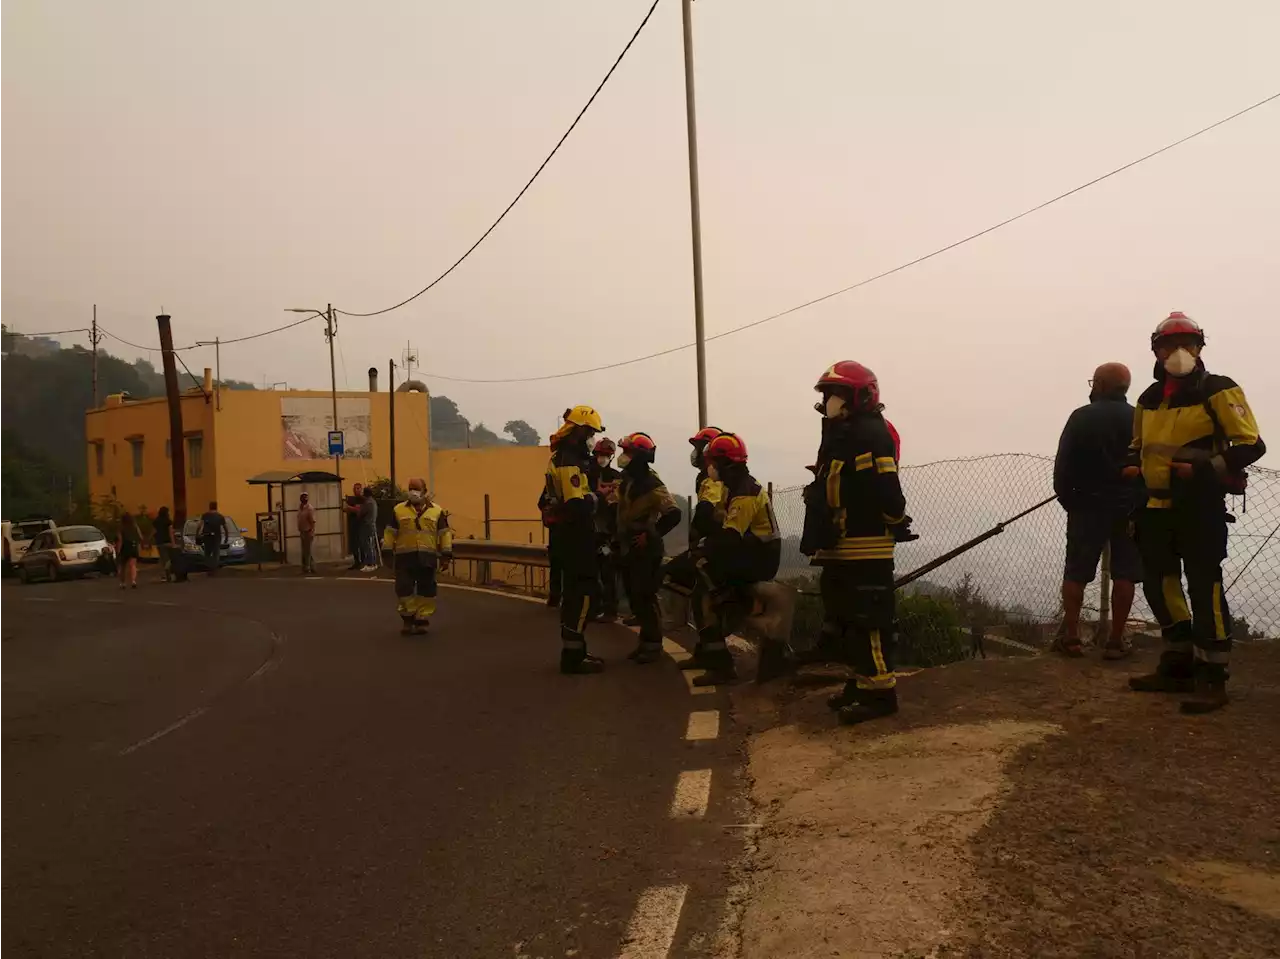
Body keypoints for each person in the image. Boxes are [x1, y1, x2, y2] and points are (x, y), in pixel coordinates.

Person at [1124, 312, 1265, 714]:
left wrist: (1203, 469)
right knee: (1160, 584)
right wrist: (1130, 462)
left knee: (1205, 588)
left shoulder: (1219, 390)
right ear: (1155, 350)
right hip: (1152, 507)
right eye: (1171, 344)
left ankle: (1212, 678)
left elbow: (1251, 445)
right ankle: (1176, 665)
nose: (1180, 352)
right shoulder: (1149, 399)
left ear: (1201, 348)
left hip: (1199, 508)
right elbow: (1138, 444)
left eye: (1189, 344)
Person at [801, 361, 913, 725]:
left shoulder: (870, 434)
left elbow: (887, 488)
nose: (829, 402)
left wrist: (896, 521)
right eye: (827, 395)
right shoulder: (842, 433)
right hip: (841, 544)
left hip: (867, 545)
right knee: (845, 620)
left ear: (859, 396)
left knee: (870, 619)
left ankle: (881, 694)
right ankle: (860, 683)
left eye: (836, 394)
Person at [1052, 362, 1142, 659]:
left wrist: (1071, 502)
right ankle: (1116, 641)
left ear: (1101, 384)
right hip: (1129, 508)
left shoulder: (1081, 418)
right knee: (1125, 573)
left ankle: (1072, 637)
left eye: (1094, 381)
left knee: (1076, 572)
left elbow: (1063, 468)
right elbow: (1147, 465)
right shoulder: (1139, 419)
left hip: (1087, 507)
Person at [684, 432, 782, 685]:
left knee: (705, 585)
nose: (710, 467)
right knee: (699, 582)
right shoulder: (733, 487)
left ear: (726, 464)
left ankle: (721, 665)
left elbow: (729, 537)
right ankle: (711, 654)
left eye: (713, 462)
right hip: (747, 551)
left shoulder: (745, 492)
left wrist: (703, 549)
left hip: (760, 558)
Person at [544, 405, 607, 674]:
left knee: (574, 595)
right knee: (582, 595)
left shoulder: (562, 457)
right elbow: (576, 505)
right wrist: (599, 497)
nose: (593, 438)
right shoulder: (569, 461)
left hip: (565, 537)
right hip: (575, 538)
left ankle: (575, 650)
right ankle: (573, 656)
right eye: (591, 432)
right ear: (580, 431)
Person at [614, 432, 683, 664]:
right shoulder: (628, 480)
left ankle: (653, 645)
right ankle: (645, 643)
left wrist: (650, 535)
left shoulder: (653, 484)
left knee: (645, 596)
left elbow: (674, 514)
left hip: (646, 549)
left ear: (640, 457)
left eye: (628, 452)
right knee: (635, 597)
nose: (623, 457)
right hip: (627, 546)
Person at [383, 478, 453, 635]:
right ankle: (408, 619)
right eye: (410, 488)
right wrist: (387, 552)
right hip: (404, 557)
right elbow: (390, 532)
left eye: (416, 488)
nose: (412, 491)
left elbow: (444, 534)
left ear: (424, 491)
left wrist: (446, 555)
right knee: (404, 589)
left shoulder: (437, 511)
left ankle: (422, 620)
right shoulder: (398, 510)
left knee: (426, 590)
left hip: (427, 557)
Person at [589, 437, 623, 622]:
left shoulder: (617, 477)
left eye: (606, 455)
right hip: (590, 529)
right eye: (599, 454)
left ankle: (610, 610)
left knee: (608, 574)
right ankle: (594, 608)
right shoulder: (588, 474)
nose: (602, 458)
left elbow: (617, 505)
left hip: (608, 532)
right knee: (591, 573)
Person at [539, 423, 572, 607]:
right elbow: (541, 503)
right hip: (562, 530)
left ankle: (557, 595)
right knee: (560, 565)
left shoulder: (557, 466)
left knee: (559, 565)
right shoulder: (560, 467)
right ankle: (557, 595)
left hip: (561, 531)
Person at [199, 501, 228, 575]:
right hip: (216, 536)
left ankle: (208, 568)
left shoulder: (205, 515)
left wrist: (197, 534)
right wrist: (226, 537)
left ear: (209, 506)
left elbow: (200, 525)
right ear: (216, 506)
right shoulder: (220, 516)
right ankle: (214, 569)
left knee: (207, 553)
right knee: (216, 553)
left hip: (207, 536)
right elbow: (225, 528)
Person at [344, 482, 366, 570]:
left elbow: (360, 510)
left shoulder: (364, 500)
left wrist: (351, 508)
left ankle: (364, 561)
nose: (356, 490)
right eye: (355, 488)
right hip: (353, 524)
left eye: (358, 488)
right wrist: (350, 509)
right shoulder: (351, 500)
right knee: (354, 544)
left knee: (362, 544)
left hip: (361, 525)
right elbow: (346, 509)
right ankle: (356, 561)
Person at [116, 512, 141, 589]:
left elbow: (120, 540)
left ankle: (122, 583)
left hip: (125, 547)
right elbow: (140, 537)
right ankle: (133, 581)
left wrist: (118, 551)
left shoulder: (121, 528)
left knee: (123, 566)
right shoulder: (135, 527)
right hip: (133, 546)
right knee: (132, 565)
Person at [152, 506, 176, 583]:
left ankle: (164, 575)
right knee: (169, 559)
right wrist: (173, 543)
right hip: (167, 542)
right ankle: (168, 573)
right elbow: (170, 532)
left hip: (159, 542)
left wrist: (150, 540)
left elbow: (154, 531)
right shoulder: (168, 521)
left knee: (163, 559)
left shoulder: (156, 521)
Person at [359, 485, 379, 573]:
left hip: (367, 525)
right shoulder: (373, 502)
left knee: (367, 545)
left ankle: (370, 564)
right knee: (371, 545)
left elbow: (361, 513)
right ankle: (373, 563)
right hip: (372, 525)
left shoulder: (367, 503)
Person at [297, 493, 317, 574]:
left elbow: (312, 521)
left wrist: (312, 531)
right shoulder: (300, 507)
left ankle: (307, 567)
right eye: (302, 497)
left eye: (305, 497)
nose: (304, 499)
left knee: (307, 550)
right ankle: (311, 566)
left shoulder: (309, 508)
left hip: (308, 531)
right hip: (302, 531)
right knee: (305, 550)